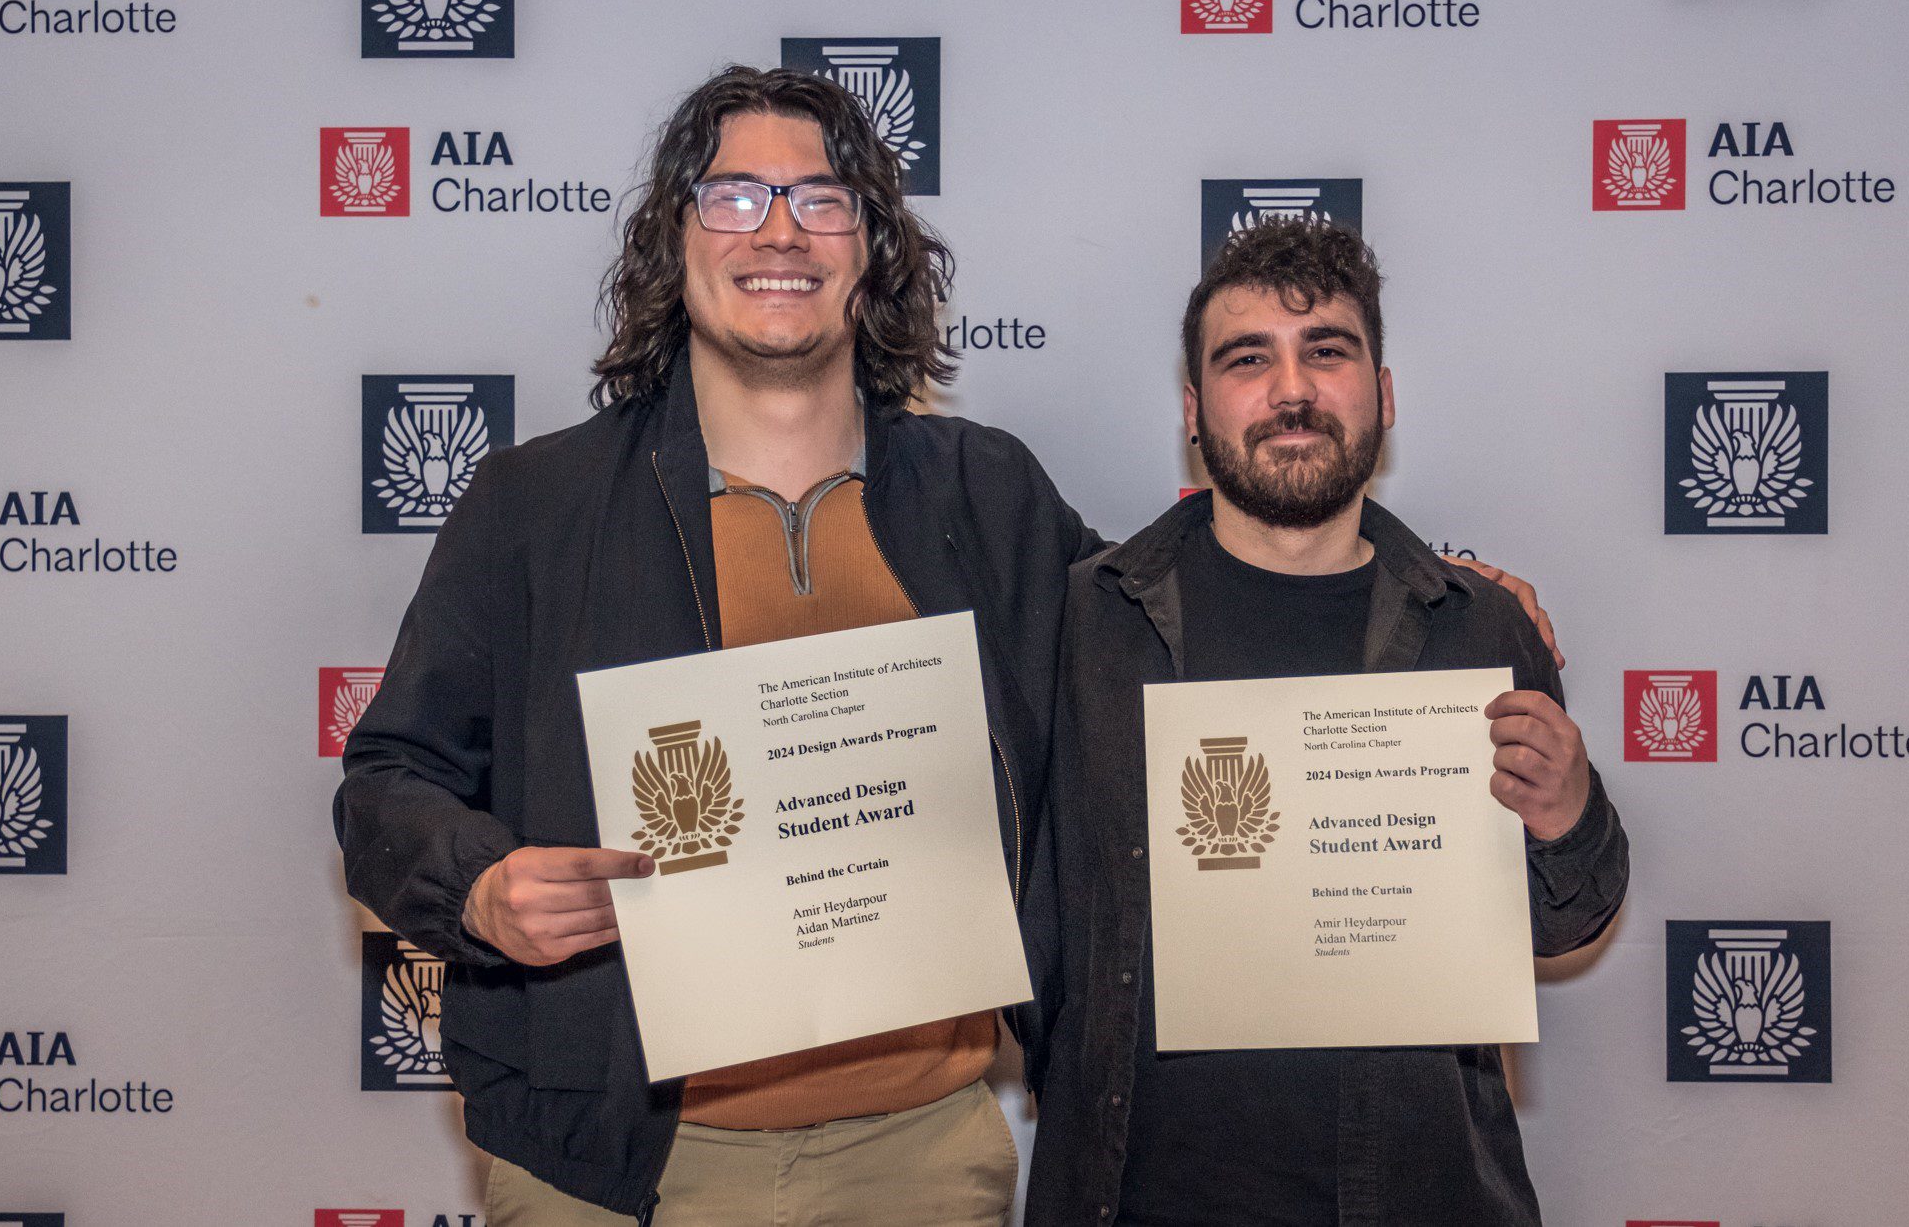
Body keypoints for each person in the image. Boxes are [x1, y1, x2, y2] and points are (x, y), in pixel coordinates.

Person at [337, 65, 1560, 1226]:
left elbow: (1197, 610)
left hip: (915, 1156)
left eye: (821, 198)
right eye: (733, 194)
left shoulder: (989, 499)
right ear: (676, 239)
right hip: (607, 1163)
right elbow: (387, 781)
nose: (778, 231)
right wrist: (480, 886)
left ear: (871, 254)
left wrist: (1424, 589)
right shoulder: (533, 507)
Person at [1020, 218, 1630, 1227]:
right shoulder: (1085, 620)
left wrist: (1570, 815)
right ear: (1193, 408)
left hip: (1417, 1199)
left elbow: (1564, 923)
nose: (1290, 389)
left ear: (1383, 395)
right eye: (1246, 358)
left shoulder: (1476, 626)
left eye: (1327, 352)